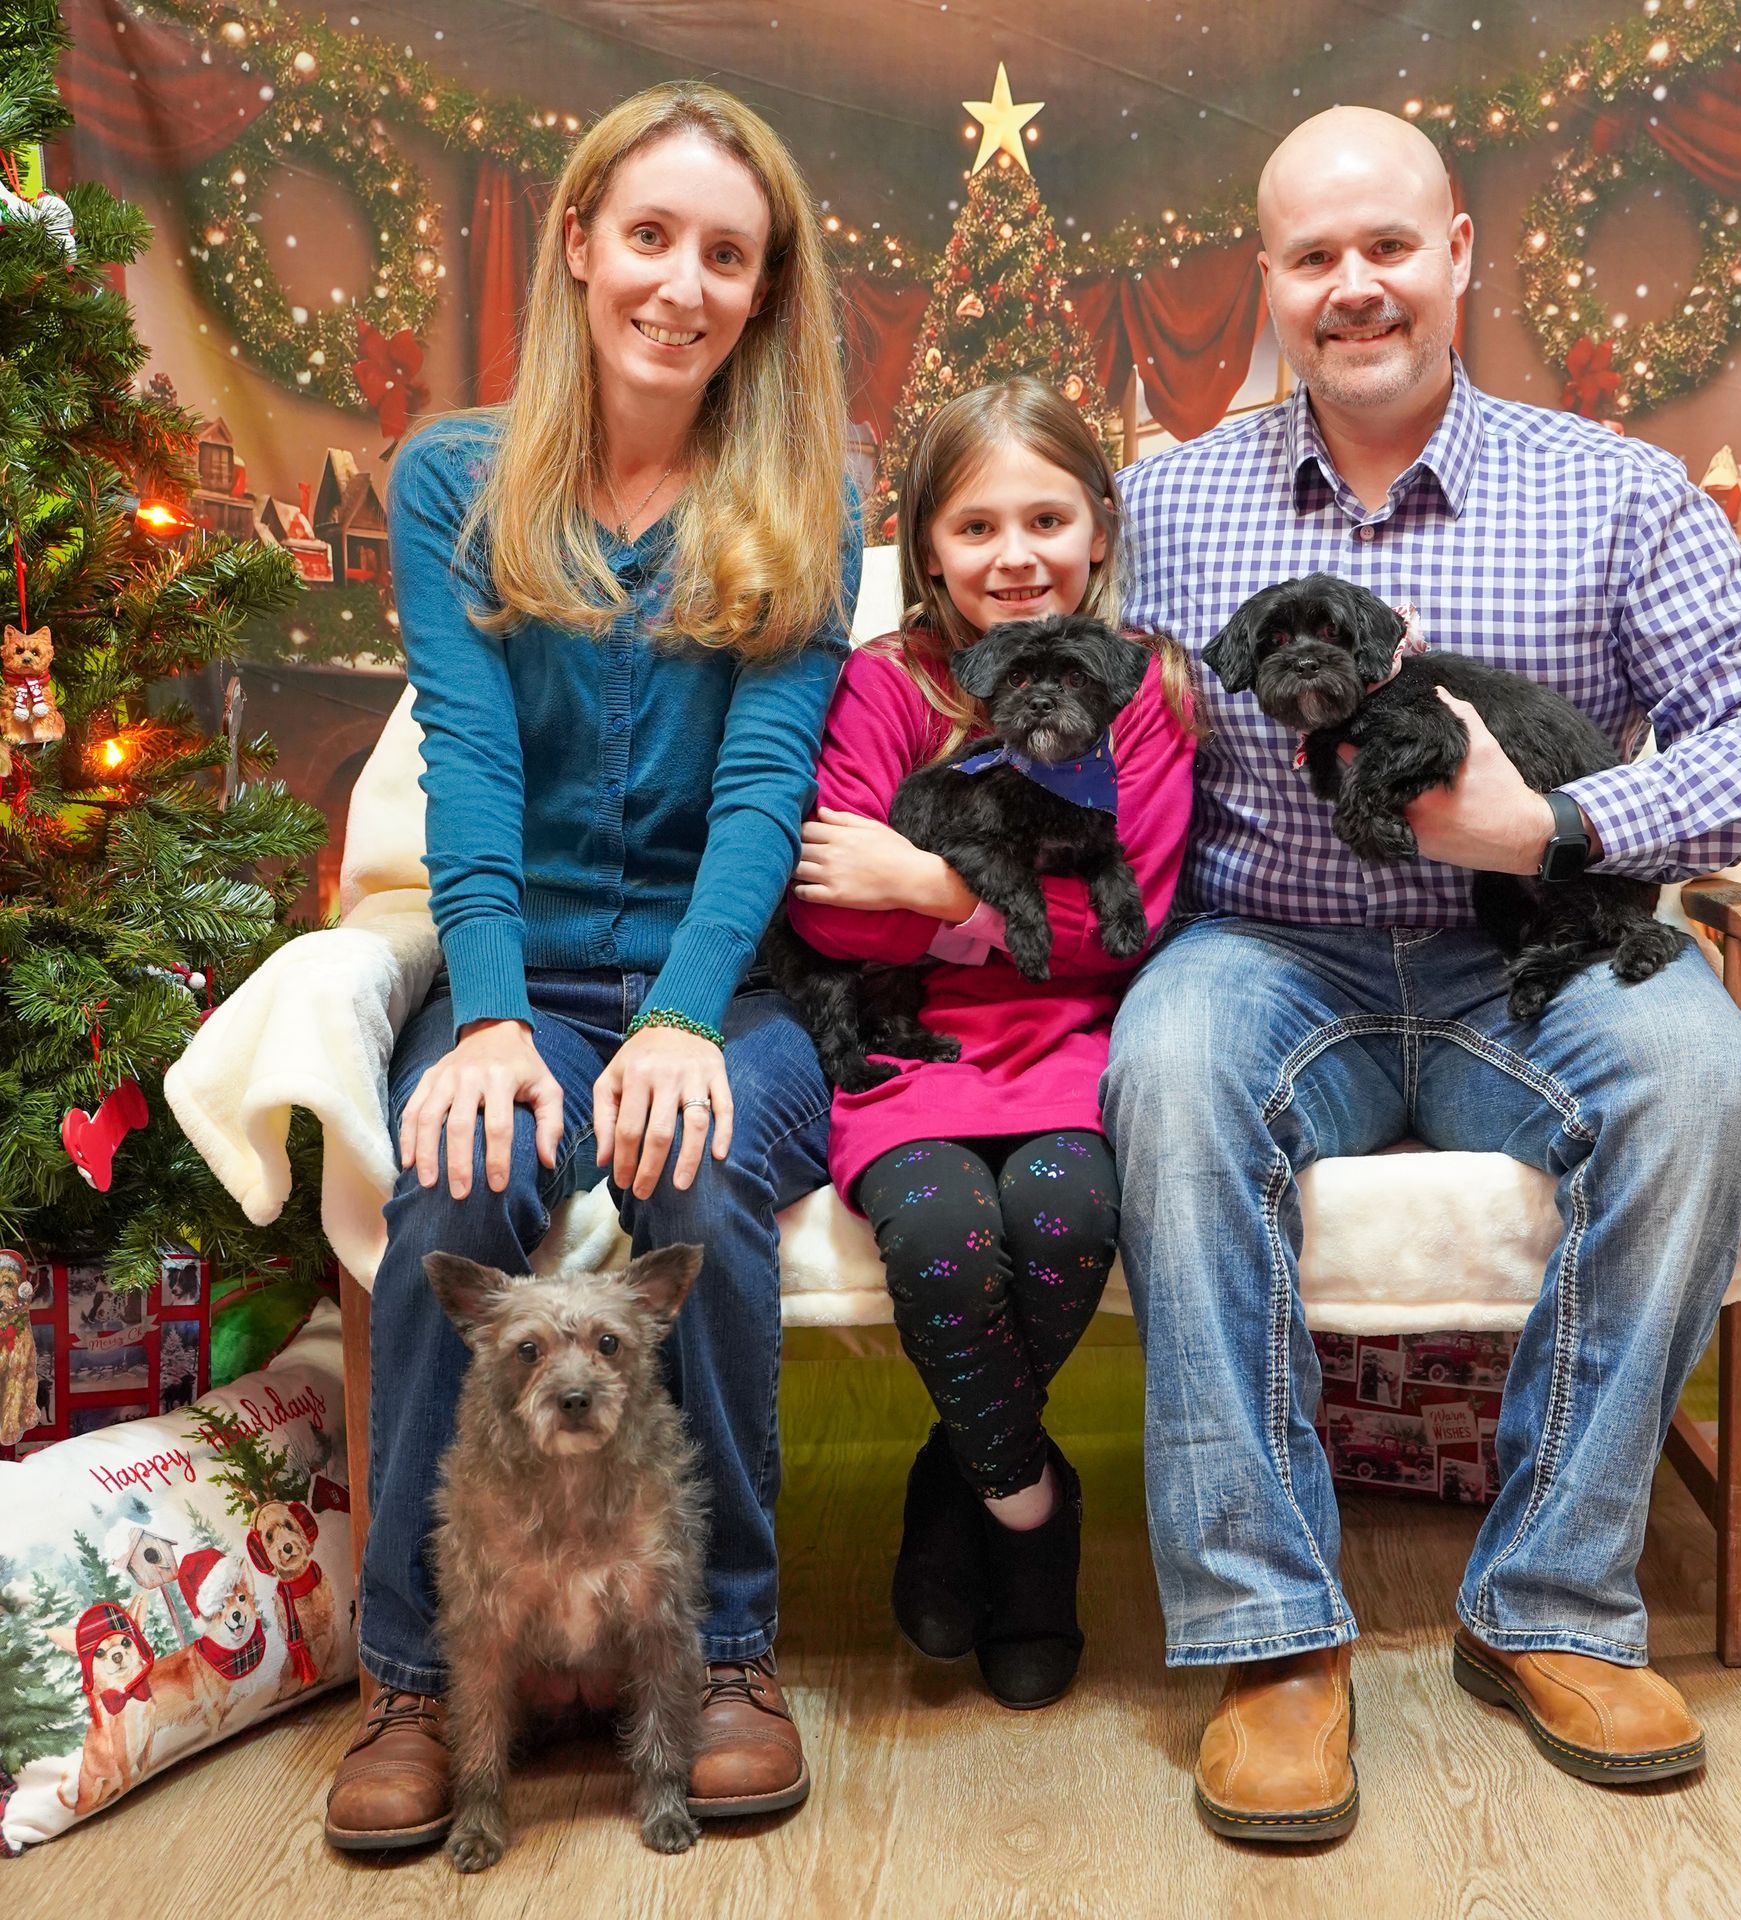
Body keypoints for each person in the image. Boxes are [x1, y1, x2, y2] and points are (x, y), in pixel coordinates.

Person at [1102, 105, 1741, 1841]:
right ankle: (1274, 1638)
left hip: (1546, 950)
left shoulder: (1615, 488)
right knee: (1168, 1064)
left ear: (1457, 255)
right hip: (1267, 950)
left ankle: (1551, 1603)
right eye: (1312, 258)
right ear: (1270, 282)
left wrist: (1561, 822)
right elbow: (1016, 651)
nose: (1354, 288)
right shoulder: (1169, 502)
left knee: (1707, 1073)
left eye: (1387, 248)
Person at [323, 81, 861, 1852]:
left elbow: (769, 787)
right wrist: (485, 1018)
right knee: (451, 1181)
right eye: (651, 237)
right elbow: (468, 763)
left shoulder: (811, 493)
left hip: (728, 988)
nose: (683, 285)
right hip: (518, 975)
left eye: (729, 255)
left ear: (764, 292)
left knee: (686, 1175)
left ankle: (723, 1656)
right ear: (578, 242)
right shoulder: (457, 481)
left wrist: (693, 1016)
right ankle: (413, 1669)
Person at [785, 377, 1197, 1707]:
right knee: (944, 1233)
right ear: (925, 546)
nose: (1015, 555)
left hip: (1076, 1038)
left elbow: (1125, 926)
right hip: (908, 1048)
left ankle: (955, 1485)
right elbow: (837, 919)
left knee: (1071, 1212)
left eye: (1046, 518)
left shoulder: (1144, 693)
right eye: (976, 527)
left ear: (1098, 529)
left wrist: (941, 895)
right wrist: (948, 918)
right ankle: (1035, 1514)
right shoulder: (883, 687)